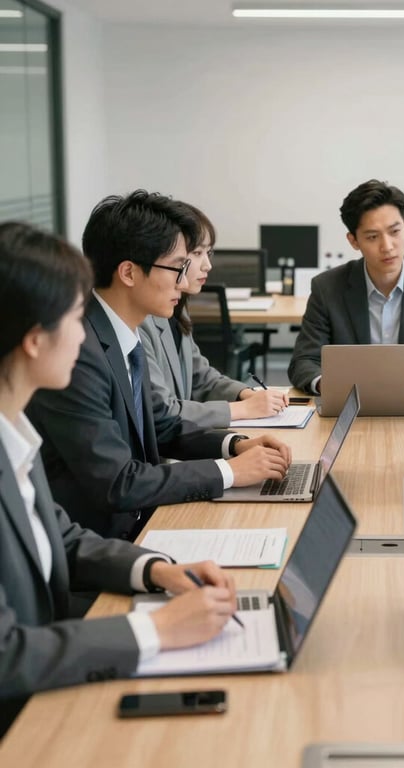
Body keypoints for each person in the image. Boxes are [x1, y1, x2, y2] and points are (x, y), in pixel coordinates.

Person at [0, 221, 239, 735]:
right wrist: (154, 629)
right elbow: (6, 655)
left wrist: (156, 570)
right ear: (35, 340)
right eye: (74, 317)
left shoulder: (14, 432)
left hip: (52, 670)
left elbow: (61, 538)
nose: (86, 334)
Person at [26, 191, 291, 541]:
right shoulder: (78, 354)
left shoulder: (123, 334)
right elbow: (118, 483)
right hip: (102, 546)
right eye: (177, 266)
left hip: (144, 519)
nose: (184, 281)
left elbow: (162, 426)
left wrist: (235, 445)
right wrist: (227, 472)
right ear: (128, 272)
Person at [288, 179, 404, 394]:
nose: (387, 246)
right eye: (372, 237)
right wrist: (329, 385)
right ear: (354, 241)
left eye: (394, 232)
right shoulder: (327, 287)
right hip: (349, 405)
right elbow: (304, 361)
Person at [139, 202, 288, 429]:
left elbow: (201, 376)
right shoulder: (141, 319)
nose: (207, 265)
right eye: (197, 253)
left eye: (208, 253)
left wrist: (246, 394)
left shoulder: (178, 308)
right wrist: (244, 409)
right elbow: (162, 410)